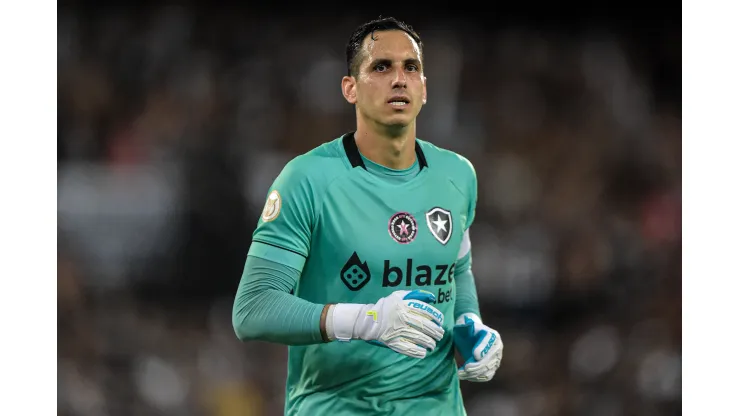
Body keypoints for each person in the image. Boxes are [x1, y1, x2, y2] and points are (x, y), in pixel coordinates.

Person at [232, 16, 503, 415]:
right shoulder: (308, 179)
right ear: (350, 89)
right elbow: (253, 309)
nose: (399, 78)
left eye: (411, 67)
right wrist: (367, 320)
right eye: (381, 67)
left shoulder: (457, 175)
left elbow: (457, 269)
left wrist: (470, 323)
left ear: (424, 89)